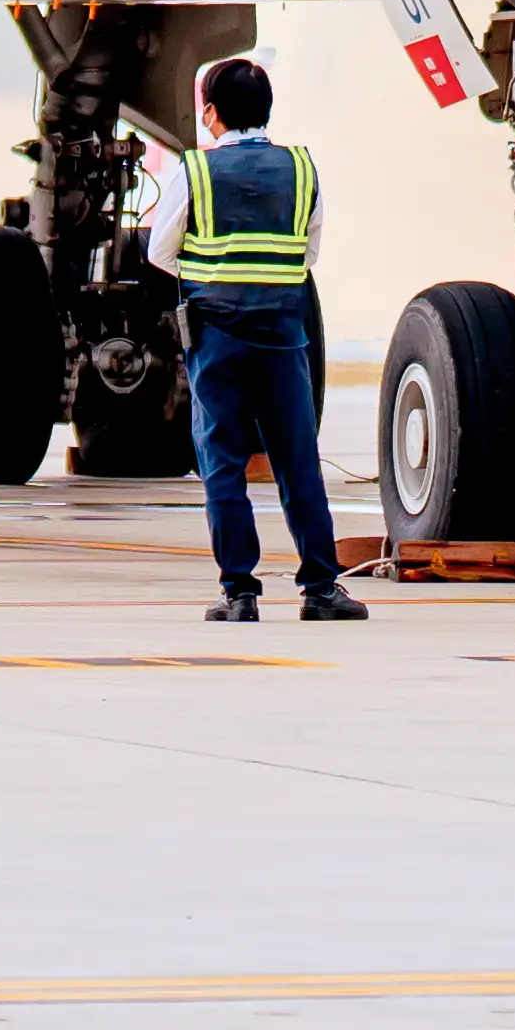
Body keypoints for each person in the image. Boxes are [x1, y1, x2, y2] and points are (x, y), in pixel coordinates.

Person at [167, 54, 359, 623]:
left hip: (217, 338)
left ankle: (240, 592)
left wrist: (210, 276)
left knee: (223, 463)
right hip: (282, 336)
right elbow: (310, 252)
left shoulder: (195, 171)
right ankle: (321, 590)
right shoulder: (302, 169)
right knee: (298, 462)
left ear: (211, 113)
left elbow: (159, 250)